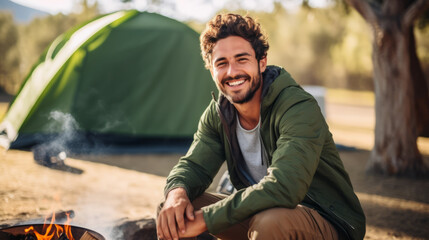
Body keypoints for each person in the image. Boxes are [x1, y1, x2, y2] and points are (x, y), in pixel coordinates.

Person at [156, 13, 366, 240]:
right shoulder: (219, 114)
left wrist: (206, 220)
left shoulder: (297, 107)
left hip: (327, 220)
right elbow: (194, 166)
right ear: (211, 69)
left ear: (262, 61)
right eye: (222, 63)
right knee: (174, 213)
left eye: (242, 59)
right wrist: (176, 193)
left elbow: (285, 186)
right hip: (261, 214)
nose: (232, 72)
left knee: (270, 223)